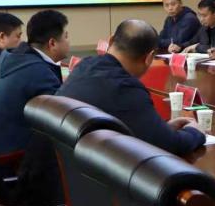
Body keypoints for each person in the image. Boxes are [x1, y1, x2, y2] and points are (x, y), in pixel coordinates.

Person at [59, 19, 206, 155]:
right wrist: (195, 132)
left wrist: (164, 129)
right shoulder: (126, 88)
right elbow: (169, 145)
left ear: (111, 40)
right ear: (149, 57)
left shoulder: (84, 66)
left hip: (72, 159)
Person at [0, 10, 70, 155]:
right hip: (13, 158)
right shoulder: (39, 73)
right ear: (52, 43)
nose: (68, 41)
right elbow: (62, 118)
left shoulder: (18, 59)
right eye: (66, 36)